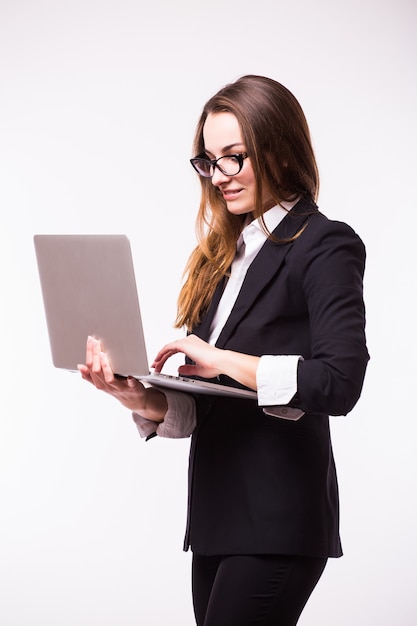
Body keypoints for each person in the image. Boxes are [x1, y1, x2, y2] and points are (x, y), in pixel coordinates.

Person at [78, 75, 369, 625]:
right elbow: (208, 405)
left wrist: (220, 359)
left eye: (234, 157)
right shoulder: (222, 258)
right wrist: (136, 396)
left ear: (280, 150)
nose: (218, 177)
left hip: (279, 518)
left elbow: (340, 380)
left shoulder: (325, 244)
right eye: (208, 161)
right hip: (216, 516)